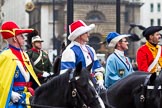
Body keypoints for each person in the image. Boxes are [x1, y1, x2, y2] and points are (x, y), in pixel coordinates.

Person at [0, 21, 41, 108]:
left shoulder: (24, 55)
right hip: (14, 99)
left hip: (27, 95)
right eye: (21, 36)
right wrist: (10, 93)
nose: (24, 38)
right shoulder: (5, 56)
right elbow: (2, 81)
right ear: (15, 38)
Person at [60, 20, 105, 89]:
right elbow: (66, 75)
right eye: (86, 33)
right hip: (79, 89)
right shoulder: (70, 51)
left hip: (93, 87)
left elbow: (97, 68)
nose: (88, 35)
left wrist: (100, 80)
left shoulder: (90, 49)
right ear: (79, 35)